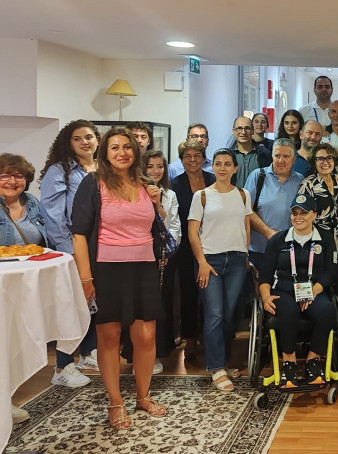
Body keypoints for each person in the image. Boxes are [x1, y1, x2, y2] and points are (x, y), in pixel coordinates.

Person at [70, 127, 167, 429]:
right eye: (114, 147)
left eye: (127, 147)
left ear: (135, 151)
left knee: (146, 336)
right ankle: (115, 402)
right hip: (106, 269)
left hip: (144, 267)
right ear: (105, 152)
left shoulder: (145, 183)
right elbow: (79, 233)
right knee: (109, 336)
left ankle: (143, 396)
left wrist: (157, 203)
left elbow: (156, 224)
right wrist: (86, 278)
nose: (122, 152)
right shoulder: (93, 182)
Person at [39, 119, 99, 387]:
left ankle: (88, 354)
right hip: (73, 248)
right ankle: (62, 366)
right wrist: (72, 252)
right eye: (77, 138)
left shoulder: (105, 168)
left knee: (93, 304)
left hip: (100, 247)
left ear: (97, 140)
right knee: (72, 306)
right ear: (68, 142)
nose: (85, 142)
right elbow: (53, 216)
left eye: (89, 136)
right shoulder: (59, 171)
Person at [188, 149, 252, 392]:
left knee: (228, 314)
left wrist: (245, 254)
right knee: (214, 313)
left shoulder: (243, 195)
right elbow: (193, 233)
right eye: (218, 163)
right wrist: (202, 262)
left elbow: (246, 226)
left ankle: (223, 362)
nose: (222, 168)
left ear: (235, 168)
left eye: (227, 164)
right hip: (210, 261)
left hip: (236, 260)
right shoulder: (202, 196)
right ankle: (216, 367)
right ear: (212, 167)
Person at [258, 193, 338, 387]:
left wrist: (313, 291)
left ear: (314, 215)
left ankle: (313, 360)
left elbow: (331, 272)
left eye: (304, 212)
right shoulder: (278, 240)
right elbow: (265, 275)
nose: (298, 217)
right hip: (285, 290)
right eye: (295, 213)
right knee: (288, 310)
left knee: (327, 310)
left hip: (314, 289)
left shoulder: (326, 239)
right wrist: (265, 296)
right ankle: (289, 362)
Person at [122, 149, 181, 374]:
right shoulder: (133, 191)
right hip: (136, 255)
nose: (155, 171)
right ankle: (135, 354)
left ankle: (156, 354)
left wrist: (167, 253)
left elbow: (173, 226)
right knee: (137, 306)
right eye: (150, 166)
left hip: (164, 256)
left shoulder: (169, 194)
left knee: (160, 305)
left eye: (160, 166)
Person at [171, 139, 216, 357]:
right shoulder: (175, 183)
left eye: (197, 156)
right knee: (188, 292)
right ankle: (190, 337)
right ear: (181, 160)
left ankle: (208, 335)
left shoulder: (213, 179)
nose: (192, 160)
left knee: (210, 291)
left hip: (212, 241)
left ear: (203, 159)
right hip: (185, 245)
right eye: (187, 156)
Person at [244, 138, 304, 269]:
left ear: (293, 159)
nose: (281, 160)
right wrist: (269, 233)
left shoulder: (301, 181)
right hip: (259, 249)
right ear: (272, 156)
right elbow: (246, 210)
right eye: (277, 155)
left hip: (289, 249)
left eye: (286, 156)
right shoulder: (258, 176)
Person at [297, 143, 338, 250]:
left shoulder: (337, 180)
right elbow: (301, 216)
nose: (325, 162)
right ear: (314, 162)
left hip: (336, 238)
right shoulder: (308, 184)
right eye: (320, 159)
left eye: (329, 158)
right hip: (316, 241)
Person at [1, 154, 47, 247]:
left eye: (18, 176)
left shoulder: (32, 201)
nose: (12, 182)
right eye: (5, 176)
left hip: (33, 256)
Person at [229, 116, 272, 188]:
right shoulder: (227, 156)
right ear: (233, 131)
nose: (243, 132)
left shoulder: (265, 155)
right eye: (239, 128)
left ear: (252, 131)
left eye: (247, 128)